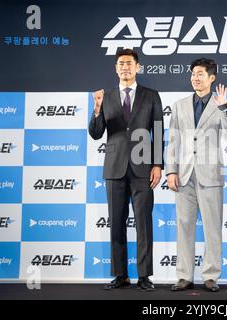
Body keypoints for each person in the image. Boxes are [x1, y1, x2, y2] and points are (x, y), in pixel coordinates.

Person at [88, 48, 164, 292]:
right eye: (121, 63)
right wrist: (97, 109)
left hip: (143, 169)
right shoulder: (106, 96)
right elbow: (96, 133)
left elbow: (159, 131)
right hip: (115, 168)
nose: (125, 67)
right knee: (116, 224)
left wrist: (157, 164)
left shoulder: (151, 95)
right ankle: (120, 275)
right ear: (115, 68)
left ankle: (144, 276)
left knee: (144, 223)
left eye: (129, 63)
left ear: (138, 67)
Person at [166, 58, 227, 292]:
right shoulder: (179, 105)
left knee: (212, 228)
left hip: (211, 175)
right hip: (184, 175)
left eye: (200, 74)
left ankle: (210, 275)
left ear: (212, 77)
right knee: (184, 226)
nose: (195, 78)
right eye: (193, 74)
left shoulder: (221, 104)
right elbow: (174, 140)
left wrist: (224, 108)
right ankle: (184, 275)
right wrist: (171, 171)